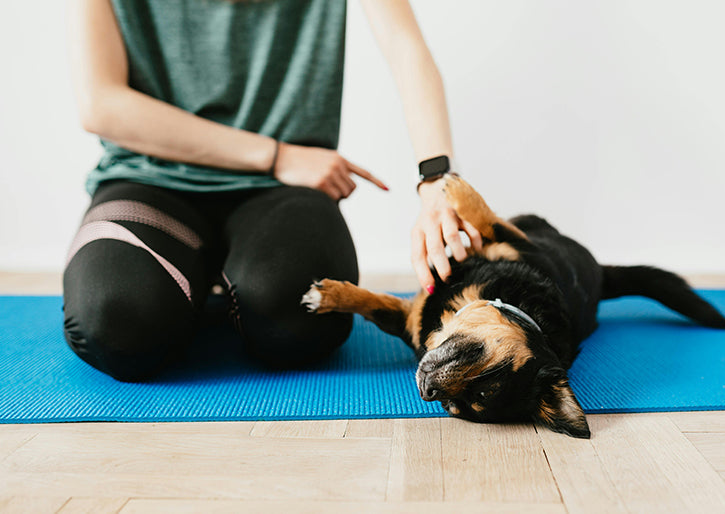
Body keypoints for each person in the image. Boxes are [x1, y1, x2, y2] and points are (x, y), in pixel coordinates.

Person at [64, 0, 482, 382]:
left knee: (300, 321)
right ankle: (196, 287)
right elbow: (101, 103)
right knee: (114, 324)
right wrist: (276, 155)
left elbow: (404, 44)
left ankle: (216, 290)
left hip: (281, 191)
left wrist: (437, 183)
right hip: (148, 180)